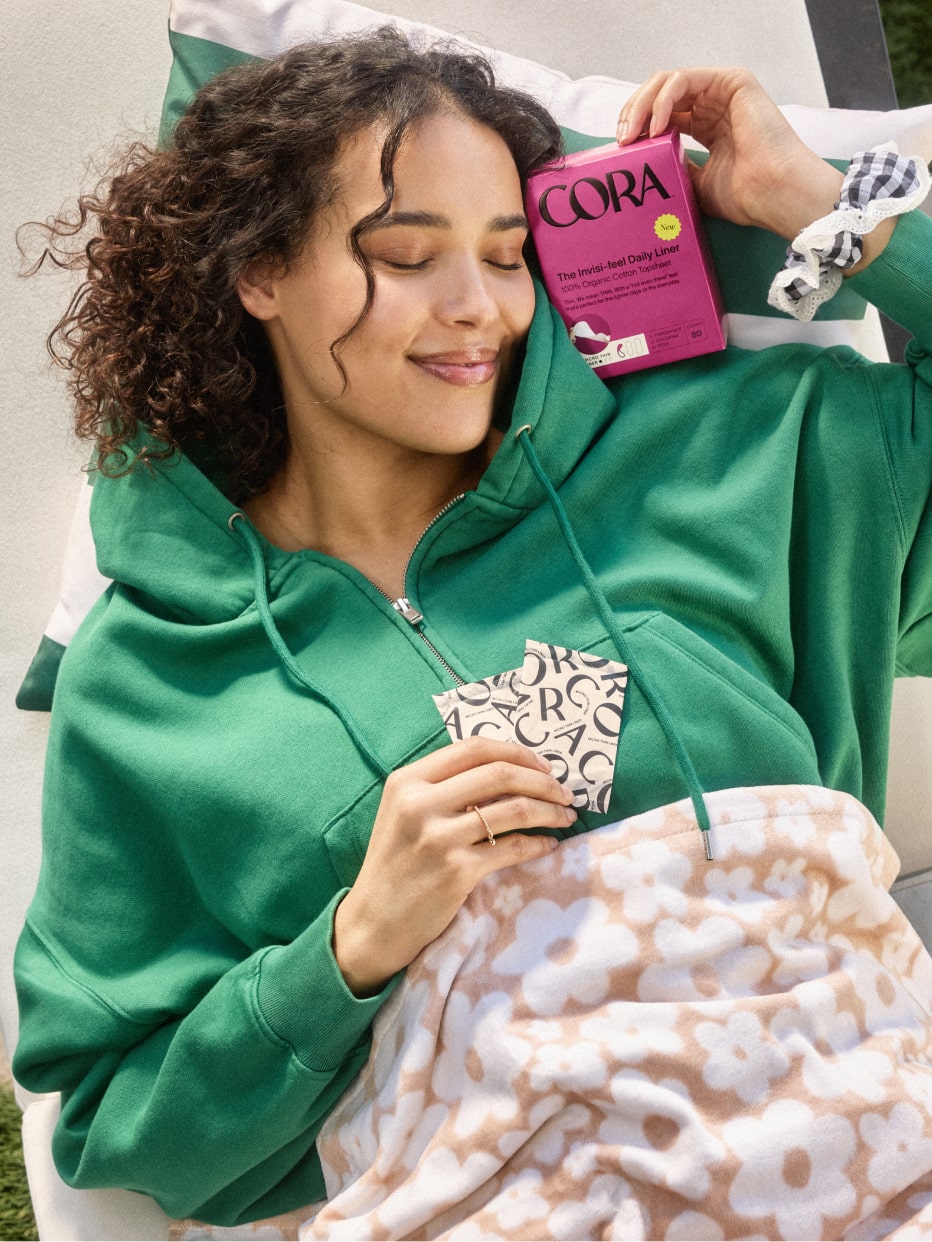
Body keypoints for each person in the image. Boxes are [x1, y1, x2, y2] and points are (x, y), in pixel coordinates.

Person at [11, 25, 932, 1228]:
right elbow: (111, 1117)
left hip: (871, 1151)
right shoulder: (145, 684)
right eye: (405, 255)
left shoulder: (728, 453)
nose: (477, 313)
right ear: (260, 273)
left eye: (507, 258)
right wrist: (346, 947)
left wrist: (820, 206)